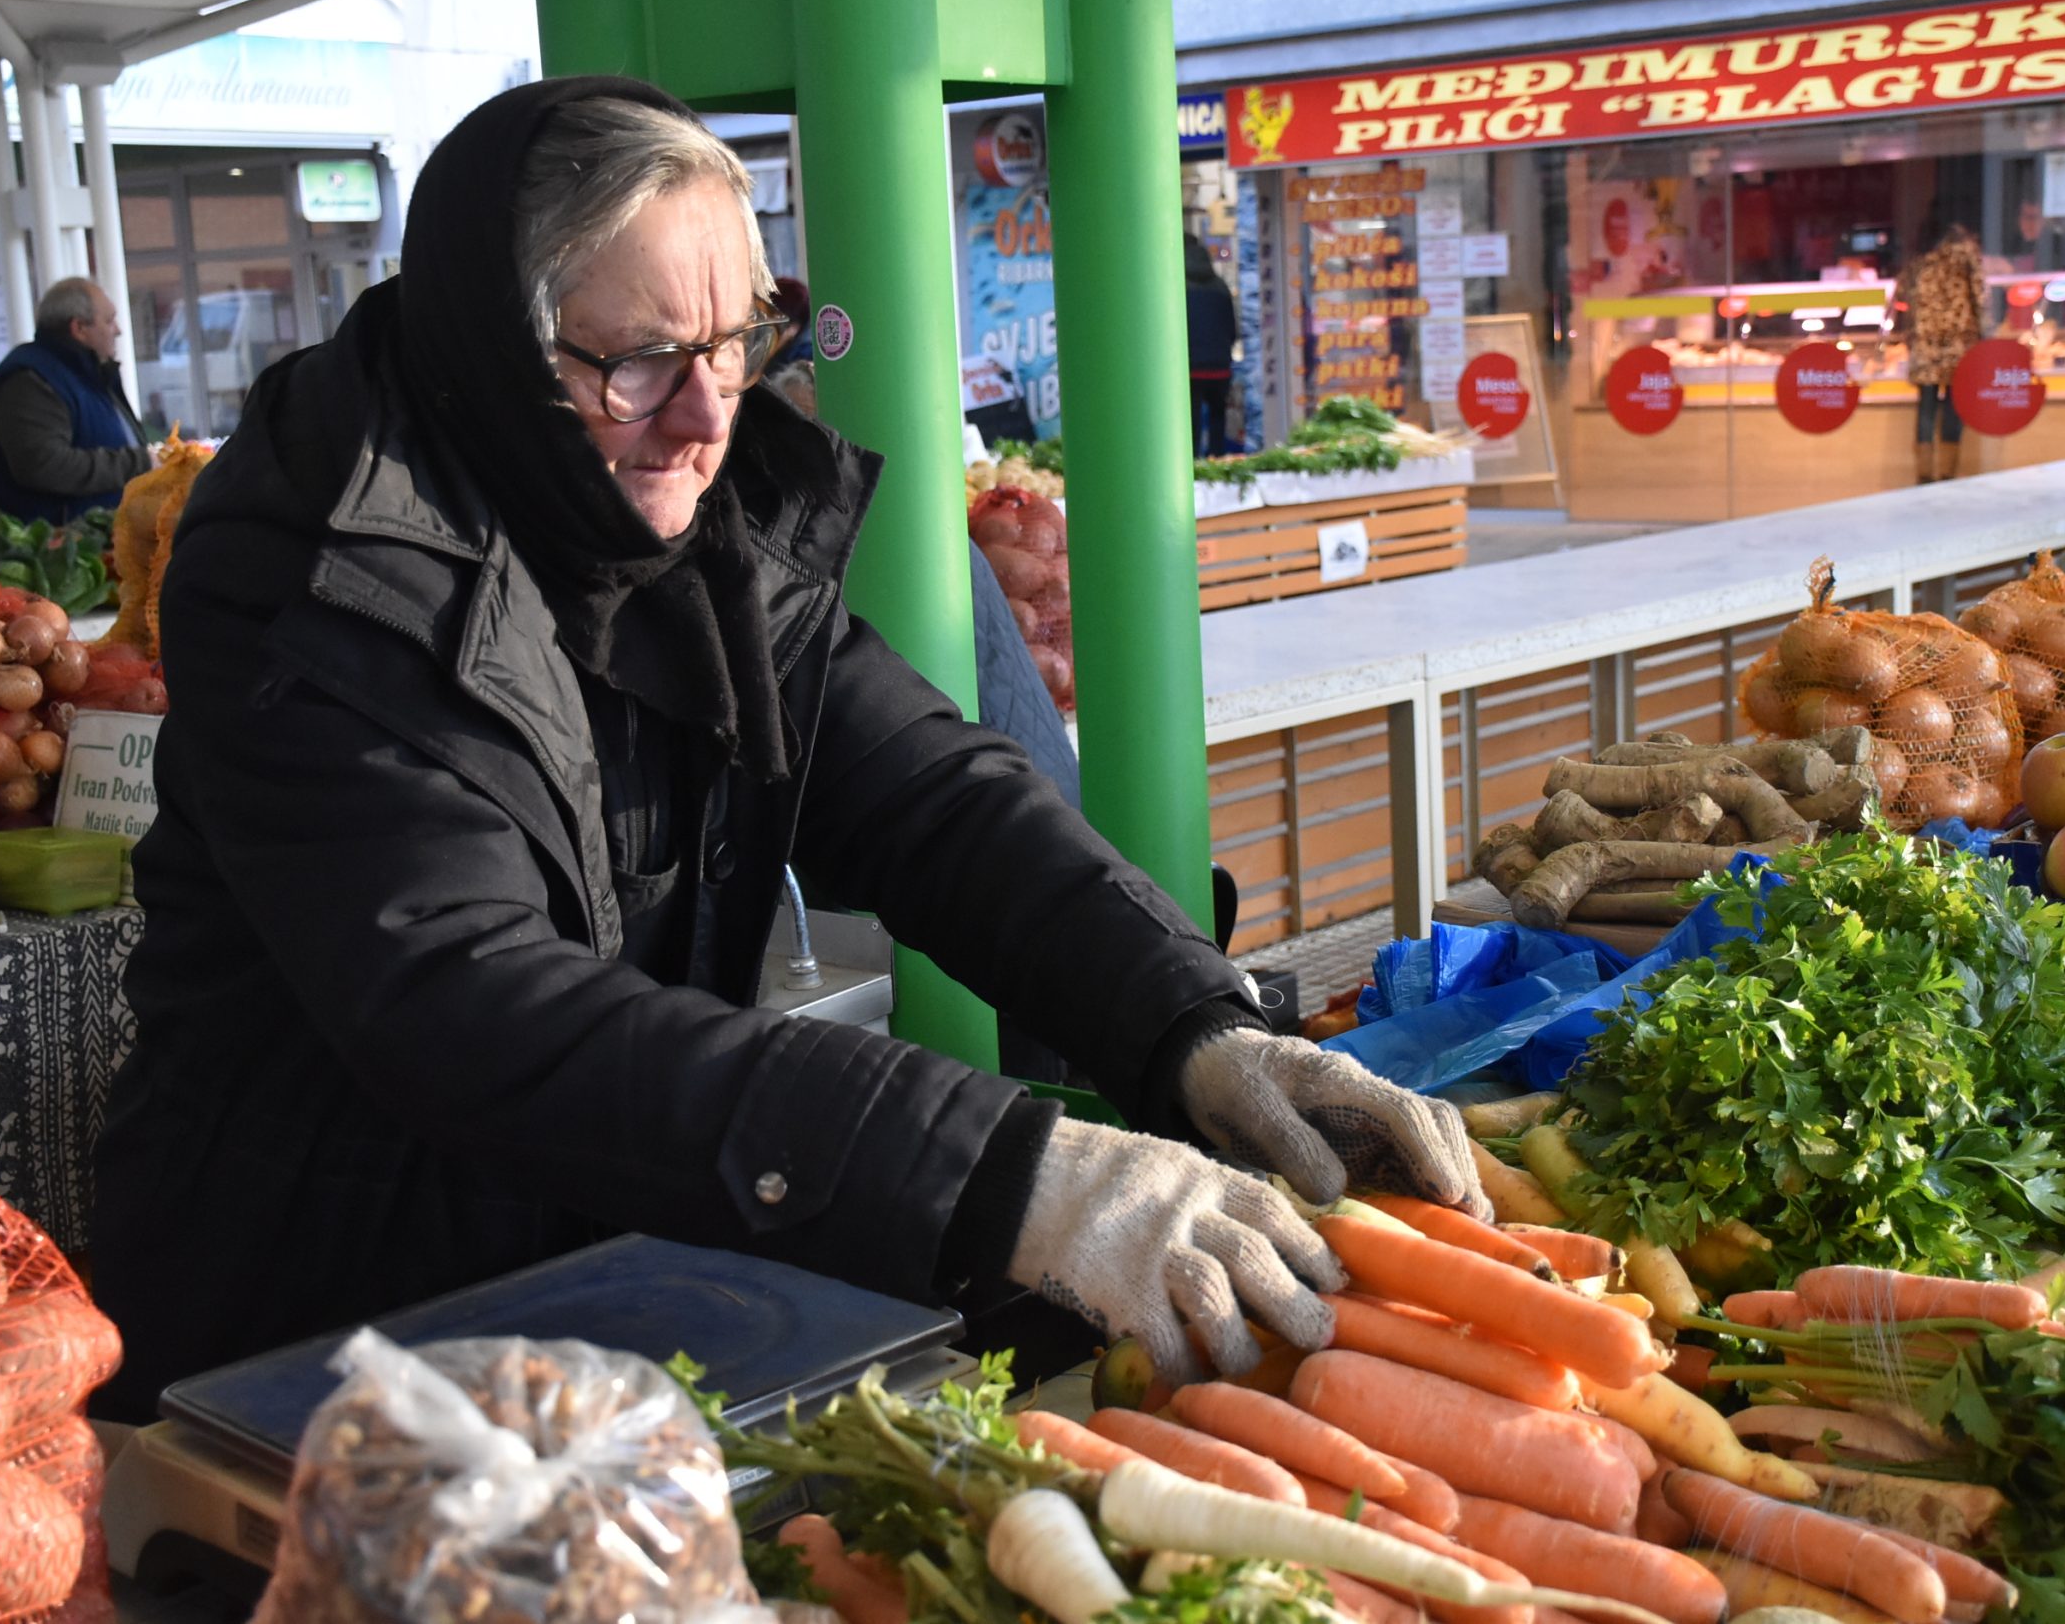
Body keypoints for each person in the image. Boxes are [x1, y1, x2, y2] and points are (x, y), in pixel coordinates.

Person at [88, 77, 1484, 1419]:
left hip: (583, 1277)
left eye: (740, 341)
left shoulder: (698, 517)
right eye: (639, 361)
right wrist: (1022, 1178)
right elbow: (472, 1004)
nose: (708, 415)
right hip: (307, 1326)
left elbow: (936, 798)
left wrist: (1192, 1021)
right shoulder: (316, 567)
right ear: (491, 349)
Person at [0, 276, 153, 523]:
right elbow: (45, 466)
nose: (117, 330)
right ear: (79, 328)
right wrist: (140, 462)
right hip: (47, 547)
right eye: (108, 321)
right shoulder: (31, 381)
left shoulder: (90, 374)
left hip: (94, 538)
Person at [1893, 220, 1986, 485]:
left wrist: (1907, 334)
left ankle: (1924, 473)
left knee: (1927, 406)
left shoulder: (1919, 251)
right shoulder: (1965, 248)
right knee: (1954, 407)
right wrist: (1985, 335)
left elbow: (1902, 294)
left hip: (1925, 340)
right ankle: (1948, 471)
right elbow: (1980, 295)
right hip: (1958, 339)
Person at [1184, 236, 1237, 457]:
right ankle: (1218, 462)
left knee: (1191, 422)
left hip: (1191, 367)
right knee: (1218, 417)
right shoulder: (1221, 286)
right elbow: (1232, 329)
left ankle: (1194, 469)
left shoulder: (1177, 288)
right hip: (1219, 365)